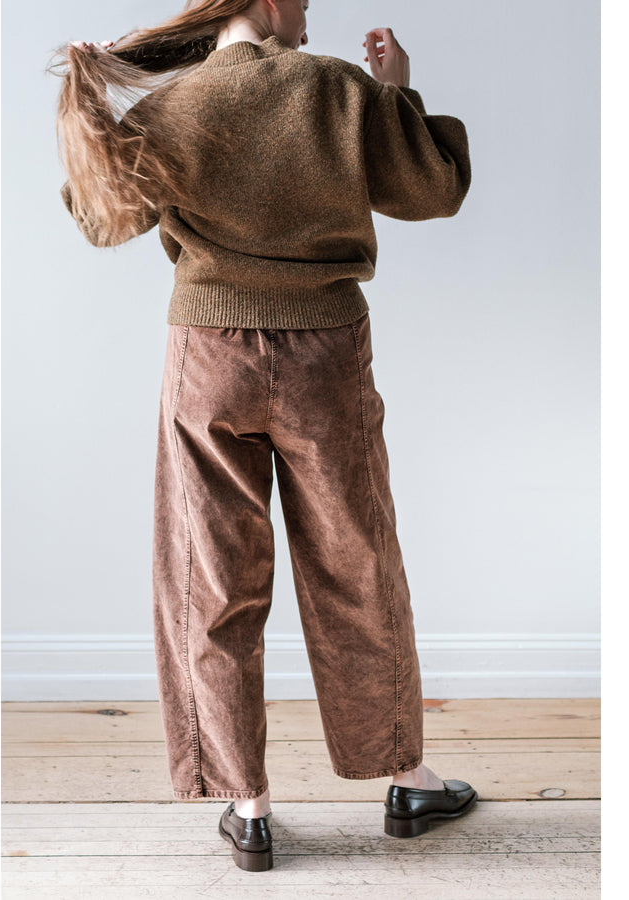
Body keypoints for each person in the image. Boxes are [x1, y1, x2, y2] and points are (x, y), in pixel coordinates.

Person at [52, 0, 476, 872]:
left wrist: (92, 109)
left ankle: (246, 805)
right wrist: (397, 95)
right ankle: (407, 778)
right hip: (326, 354)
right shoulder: (339, 91)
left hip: (207, 356)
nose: (310, 12)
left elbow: (100, 221)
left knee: (211, 575)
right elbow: (436, 191)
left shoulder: (172, 108)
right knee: (357, 561)